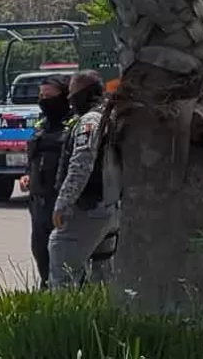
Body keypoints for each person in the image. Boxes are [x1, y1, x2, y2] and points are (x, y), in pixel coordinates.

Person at [49, 70, 118, 289]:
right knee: (102, 275)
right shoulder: (109, 115)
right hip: (108, 206)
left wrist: (62, 204)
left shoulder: (90, 120)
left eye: (72, 94)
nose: (69, 99)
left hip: (89, 207)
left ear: (84, 94)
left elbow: (81, 163)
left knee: (62, 263)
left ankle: (64, 319)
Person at [19, 74, 71, 289]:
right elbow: (34, 156)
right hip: (38, 199)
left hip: (61, 199)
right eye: (41, 95)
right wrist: (26, 174)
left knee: (61, 252)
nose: (44, 100)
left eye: (50, 96)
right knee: (40, 249)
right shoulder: (42, 125)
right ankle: (46, 286)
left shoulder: (73, 125)